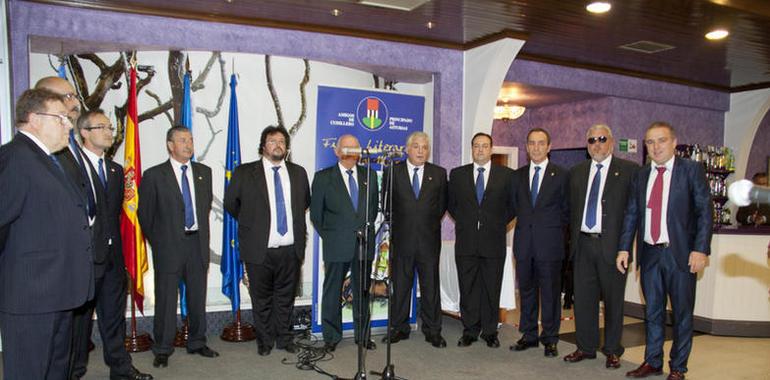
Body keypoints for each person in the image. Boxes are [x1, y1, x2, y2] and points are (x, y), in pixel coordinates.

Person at [0, 88, 93, 378]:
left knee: (55, 370)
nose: (69, 126)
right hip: (31, 295)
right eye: (61, 119)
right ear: (34, 119)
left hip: (59, 291)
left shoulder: (51, 160)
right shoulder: (14, 158)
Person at [618, 122, 712, 380]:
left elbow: (705, 212)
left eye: (661, 140)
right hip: (649, 254)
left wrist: (700, 249)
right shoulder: (640, 175)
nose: (655, 147)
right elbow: (632, 214)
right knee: (653, 312)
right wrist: (624, 248)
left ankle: (678, 368)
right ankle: (653, 361)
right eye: (650, 142)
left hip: (680, 254)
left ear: (673, 142)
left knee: (682, 314)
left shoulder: (691, 171)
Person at [224, 126, 310, 356]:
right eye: (272, 141)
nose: (278, 144)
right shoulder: (244, 173)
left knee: (285, 298)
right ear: (263, 146)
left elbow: (305, 203)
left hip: (290, 249)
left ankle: (284, 338)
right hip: (258, 248)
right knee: (260, 299)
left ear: (287, 147)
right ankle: (265, 341)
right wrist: (254, 224)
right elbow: (231, 204)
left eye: (282, 141)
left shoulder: (299, 173)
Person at [138, 126, 218, 369]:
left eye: (191, 140)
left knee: (197, 297)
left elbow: (203, 209)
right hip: (168, 246)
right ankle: (162, 348)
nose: (188, 144)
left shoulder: (204, 172)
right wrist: (161, 242)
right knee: (165, 300)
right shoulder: (154, 175)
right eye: (182, 140)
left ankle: (197, 341)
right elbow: (146, 216)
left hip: (197, 244)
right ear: (170, 145)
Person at [563, 124, 639, 369]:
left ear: (611, 142)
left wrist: (625, 247)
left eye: (602, 139)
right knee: (583, 300)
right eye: (592, 140)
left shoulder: (628, 171)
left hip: (614, 249)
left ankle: (613, 350)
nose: (597, 144)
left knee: (614, 301)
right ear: (587, 145)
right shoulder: (576, 172)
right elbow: (569, 210)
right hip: (583, 244)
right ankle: (585, 347)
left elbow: (632, 213)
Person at [310, 134, 379, 352]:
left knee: (362, 292)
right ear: (337, 151)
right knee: (332, 292)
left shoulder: (370, 176)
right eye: (346, 148)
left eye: (355, 148)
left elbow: (373, 208)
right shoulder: (323, 177)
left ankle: (363, 335)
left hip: (363, 244)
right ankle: (331, 336)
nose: (351, 152)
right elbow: (316, 215)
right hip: (336, 243)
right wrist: (331, 236)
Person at [381, 131, 448, 348]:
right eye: (416, 147)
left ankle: (433, 330)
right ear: (407, 149)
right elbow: (386, 205)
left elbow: (441, 206)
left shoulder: (438, 174)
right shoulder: (394, 171)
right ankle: (399, 328)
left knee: (430, 288)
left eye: (425, 147)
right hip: (402, 241)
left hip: (429, 242)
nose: (421, 151)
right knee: (400, 287)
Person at [448, 132, 514, 349]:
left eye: (485, 146)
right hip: (466, 242)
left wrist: (494, 223)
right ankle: (470, 330)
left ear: (491, 149)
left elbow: (512, 207)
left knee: (491, 288)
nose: (480, 150)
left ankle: (490, 331)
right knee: (468, 288)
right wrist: (469, 222)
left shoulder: (506, 175)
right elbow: (452, 205)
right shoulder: (458, 175)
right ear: (472, 149)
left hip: (493, 242)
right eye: (476, 146)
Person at [509, 127, 569, 358]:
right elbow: (515, 207)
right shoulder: (517, 176)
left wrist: (549, 228)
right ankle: (529, 335)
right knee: (526, 292)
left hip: (550, 245)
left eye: (541, 143)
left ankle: (550, 338)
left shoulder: (562, 175)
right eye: (532, 143)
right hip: (524, 244)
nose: (536, 147)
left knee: (550, 295)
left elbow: (567, 211)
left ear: (549, 147)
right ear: (526, 147)